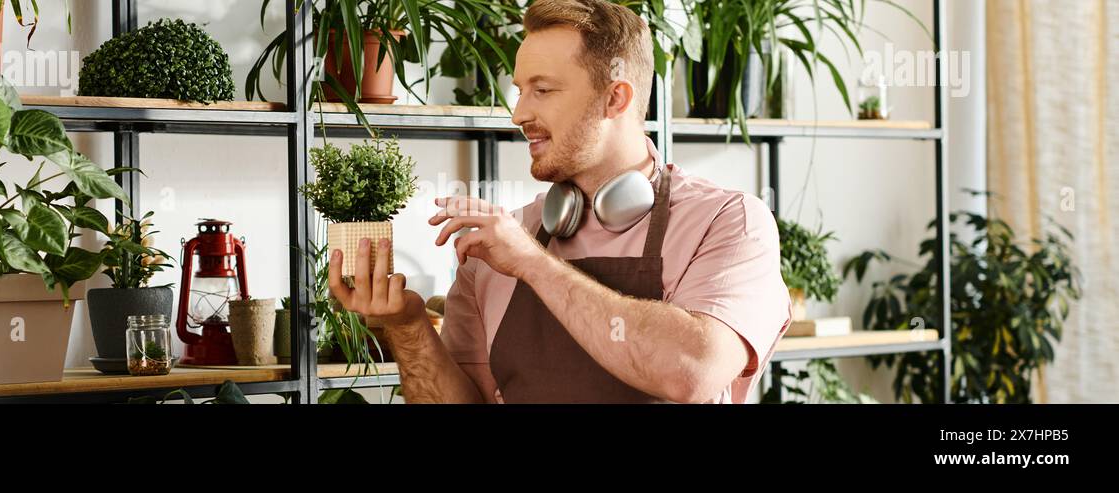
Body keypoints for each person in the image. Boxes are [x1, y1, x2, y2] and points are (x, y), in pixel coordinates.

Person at [327, 0, 791, 403]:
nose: (519, 113)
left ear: (615, 99)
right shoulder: (498, 246)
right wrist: (408, 328)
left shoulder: (727, 221)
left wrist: (534, 263)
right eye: (520, 89)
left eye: (543, 90)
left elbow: (692, 370)